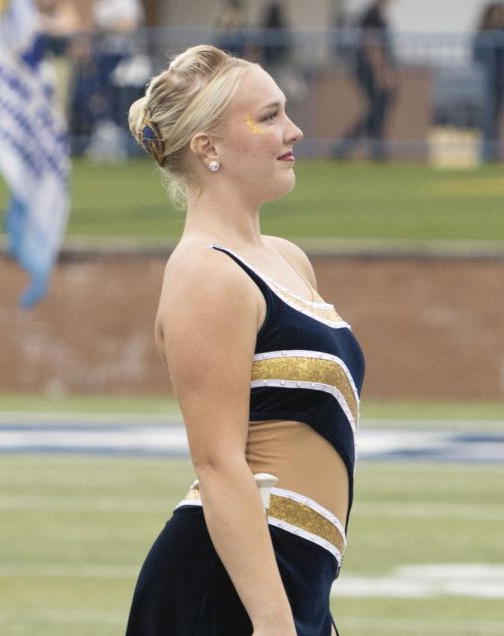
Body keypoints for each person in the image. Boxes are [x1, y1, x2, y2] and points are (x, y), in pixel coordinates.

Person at [125, 45, 364, 635]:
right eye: (270, 116)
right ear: (207, 146)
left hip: (298, 575)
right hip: (229, 585)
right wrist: (274, 622)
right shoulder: (207, 273)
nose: (295, 130)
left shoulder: (287, 259)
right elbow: (218, 460)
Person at [333, 0, 397, 161]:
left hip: (369, 66)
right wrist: (381, 72)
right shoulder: (373, 12)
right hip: (367, 67)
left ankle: (357, 146)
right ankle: (365, 147)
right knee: (378, 104)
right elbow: (371, 44)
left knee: (377, 106)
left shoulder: (376, 11)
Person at [90, 0, 145, 131]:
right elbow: (94, 26)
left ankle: (127, 135)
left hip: (124, 53)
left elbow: (129, 24)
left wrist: (108, 27)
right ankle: (109, 134)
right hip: (105, 53)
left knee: (123, 96)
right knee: (104, 96)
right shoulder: (100, 2)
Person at [473, 0, 504, 162]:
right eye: (497, 13)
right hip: (489, 82)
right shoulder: (482, 34)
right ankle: (487, 156)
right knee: (488, 119)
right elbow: (476, 57)